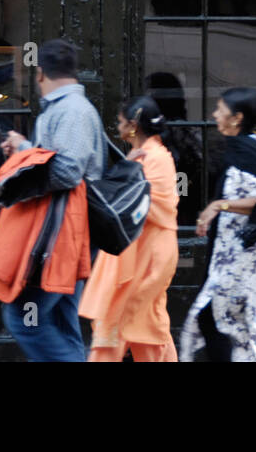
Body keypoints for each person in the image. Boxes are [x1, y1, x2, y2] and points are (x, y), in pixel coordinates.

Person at [0, 38, 106, 361]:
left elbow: (69, 171)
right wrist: (25, 148)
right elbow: (58, 161)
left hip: (62, 235)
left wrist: (25, 152)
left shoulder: (72, 111)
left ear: (40, 73)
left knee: (23, 317)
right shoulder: (66, 110)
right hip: (66, 231)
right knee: (61, 318)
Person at [179, 87, 256, 362]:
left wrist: (218, 206)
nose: (214, 115)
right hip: (253, 249)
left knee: (238, 320)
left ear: (237, 118)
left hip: (250, 251)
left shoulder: (245, 148)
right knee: (232, 319)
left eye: (220, 110)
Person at [79, 96, 180, 361]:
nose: (118, 126)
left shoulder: (153, 157)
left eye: (121, 121)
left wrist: (125, 168)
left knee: (120, 318)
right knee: (144, 324)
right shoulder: (148, 155)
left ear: (133, 126)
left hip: (147, 255)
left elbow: (131, 204)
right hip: (144, 251)